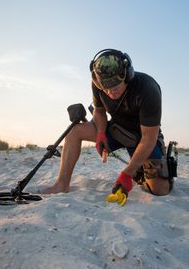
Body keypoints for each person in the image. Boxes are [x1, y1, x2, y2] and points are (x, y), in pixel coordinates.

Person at [43, 48, 174, 201]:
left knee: (160, 190)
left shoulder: (147, 89)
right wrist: (100, 133)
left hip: (143, 138)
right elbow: (99, 111)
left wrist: (127, 174)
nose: (111, 93)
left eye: (116, 87)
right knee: (74, 131)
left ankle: (140, 170)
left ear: (127, 75)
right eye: (105, 89)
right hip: (117, 130)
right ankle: (61, 184)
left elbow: (148, 139)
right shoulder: (97, 84)